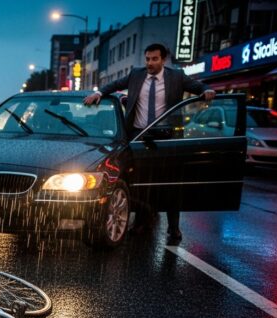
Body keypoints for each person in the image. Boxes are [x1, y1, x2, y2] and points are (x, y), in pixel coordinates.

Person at [83, 43, 216, 243]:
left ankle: (174, 228)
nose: (150, 63)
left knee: (171, 183)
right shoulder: (136, 74)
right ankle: (141, 222)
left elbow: (198, 87)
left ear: (163, 60)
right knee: (140, 182)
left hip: (166, 136)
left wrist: (207, 90)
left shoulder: (176, 77)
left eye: (154, 59)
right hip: (138, 135)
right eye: (147, 59)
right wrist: (99, 93)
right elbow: (114, 85)